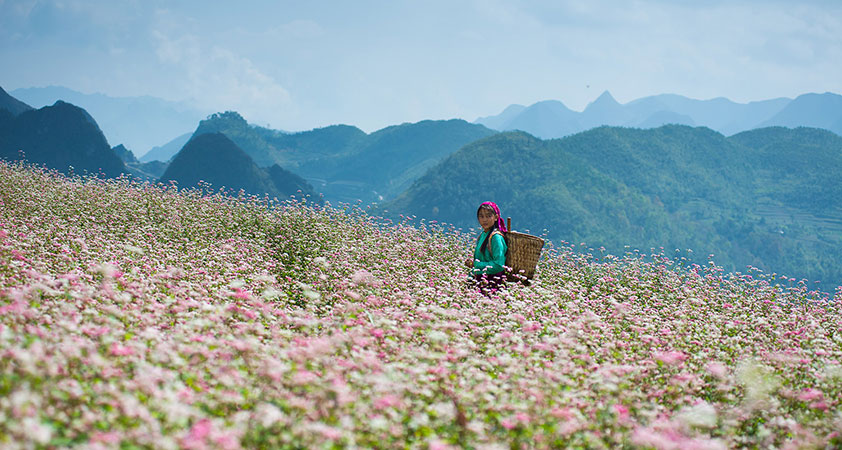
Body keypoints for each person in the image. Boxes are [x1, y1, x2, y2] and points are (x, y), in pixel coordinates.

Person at [465, 201, 508, 294]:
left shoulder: (496, 237)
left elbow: (499, 265)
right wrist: (473, 264)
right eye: (481, 216)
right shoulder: (482, 236)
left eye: (488, 216)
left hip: (492, 285)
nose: (485, 219)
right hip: (480, 282)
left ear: (496, 217)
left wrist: (477, 265)